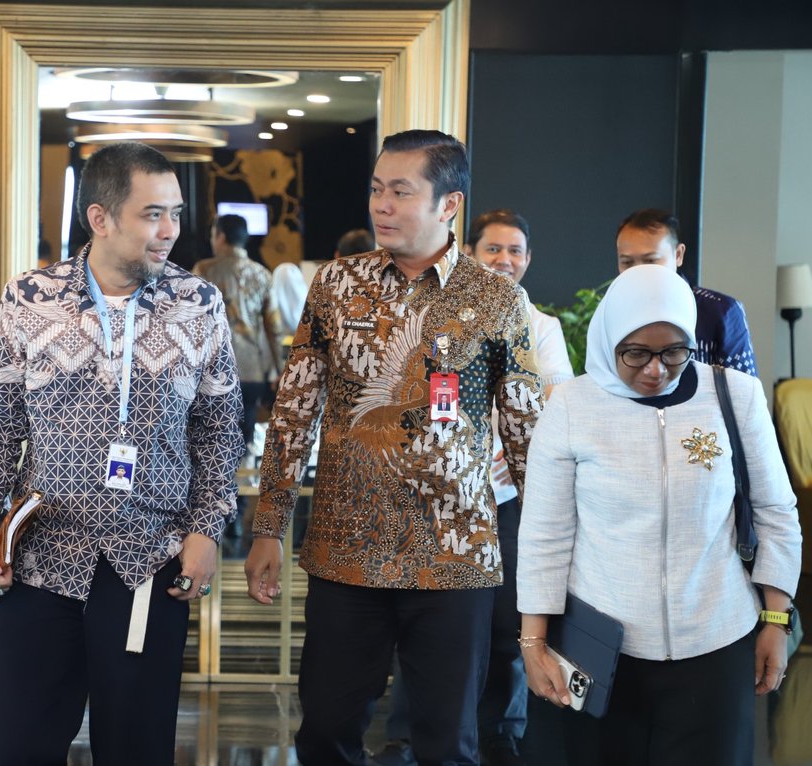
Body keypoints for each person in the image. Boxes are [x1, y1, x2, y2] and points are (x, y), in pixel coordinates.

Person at [245, 129, 543, 765]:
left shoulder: (496, 299)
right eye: (377, 189)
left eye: (401, 192)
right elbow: (295, 408)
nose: (381, 205)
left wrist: (548, 558)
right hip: (344, 549)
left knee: (446, 745)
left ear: (449, 205)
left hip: (454, 556)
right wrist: (269, 524)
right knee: (325, 732)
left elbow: (524, 434)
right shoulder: (335, 284)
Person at [0, 141, 245, 765]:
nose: (170, 230)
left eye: (175, 213)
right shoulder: (30, 297)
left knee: (135, 747)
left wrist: (206, 530)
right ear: (100, 218)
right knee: (6, 740)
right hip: (42, 555)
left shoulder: (196, 303)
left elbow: (220, 427)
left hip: (147, 558)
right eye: (152, 214)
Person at [516, 264, 801, 766]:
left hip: (716, 639)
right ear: (609, 341)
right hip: (601, 650)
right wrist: (533, 641)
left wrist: (776, 619)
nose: (655, 370)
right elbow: (545, 533)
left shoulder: (736, 395)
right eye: (636, 354)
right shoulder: (572, 407)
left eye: (673, 353)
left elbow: (776, 510)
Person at [376, 209, 572, 766]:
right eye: (493, 250)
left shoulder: (544, 327)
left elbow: (554, 402)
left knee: (507, 618)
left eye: (516, 251)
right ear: (468, 254)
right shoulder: (437, 314)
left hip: (508, 497)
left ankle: (500, 731)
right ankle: (409, 733)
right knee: (427, 617)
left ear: (528, 260)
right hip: (436, 497)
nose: (505, 261)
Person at [616, 209, 757, 375]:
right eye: (627, 262)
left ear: (678, 255)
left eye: (651, 261)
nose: (638, 272)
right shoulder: (612, 312)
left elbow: (744, 390)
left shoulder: (722, 311)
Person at [194, 214, 285, 453]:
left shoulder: (204, 270)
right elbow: (274, 329)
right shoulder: (263, 274)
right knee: (245, 436)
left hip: (213, 368)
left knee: (212, 440)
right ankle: (242, 487)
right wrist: (280, 369)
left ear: (221, 236)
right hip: (251, 370)